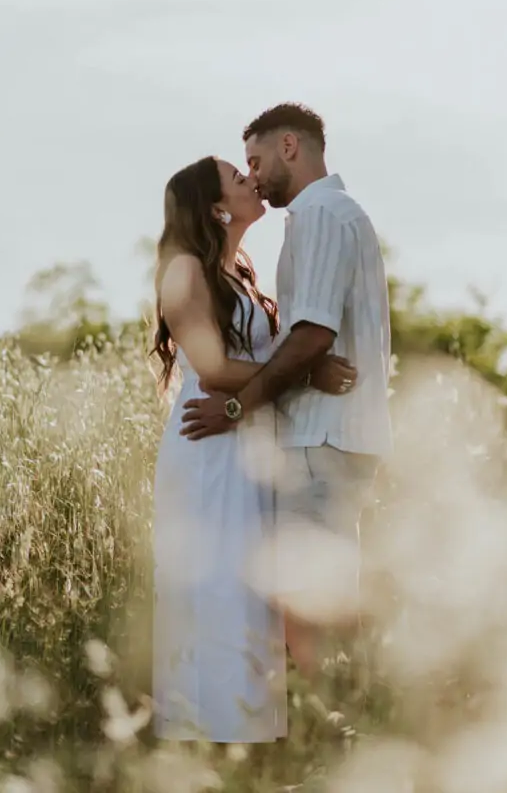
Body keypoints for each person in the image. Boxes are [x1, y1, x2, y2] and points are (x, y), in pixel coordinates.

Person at [151, 154, 357, 742]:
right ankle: (204, 736)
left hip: (248, 446)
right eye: (237, 179)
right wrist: (305, 372)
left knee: (251, 588)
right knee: (216, 584)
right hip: (209, 452)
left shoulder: (238, 271)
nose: (251, 181)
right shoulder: (185, 271)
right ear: (217, 206)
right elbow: (213, 369)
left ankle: (251, 737)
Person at [180, 105, 393, 674]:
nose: (253, 174)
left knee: (308, 604)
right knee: (309, 600)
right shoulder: (329, 216)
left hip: (323, 433)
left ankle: (326, 735)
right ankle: (318, 727)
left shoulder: (322, 215)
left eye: (256, 159)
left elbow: (312, 336)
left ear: (290, 147)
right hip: (330, 435)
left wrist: (235, 405)